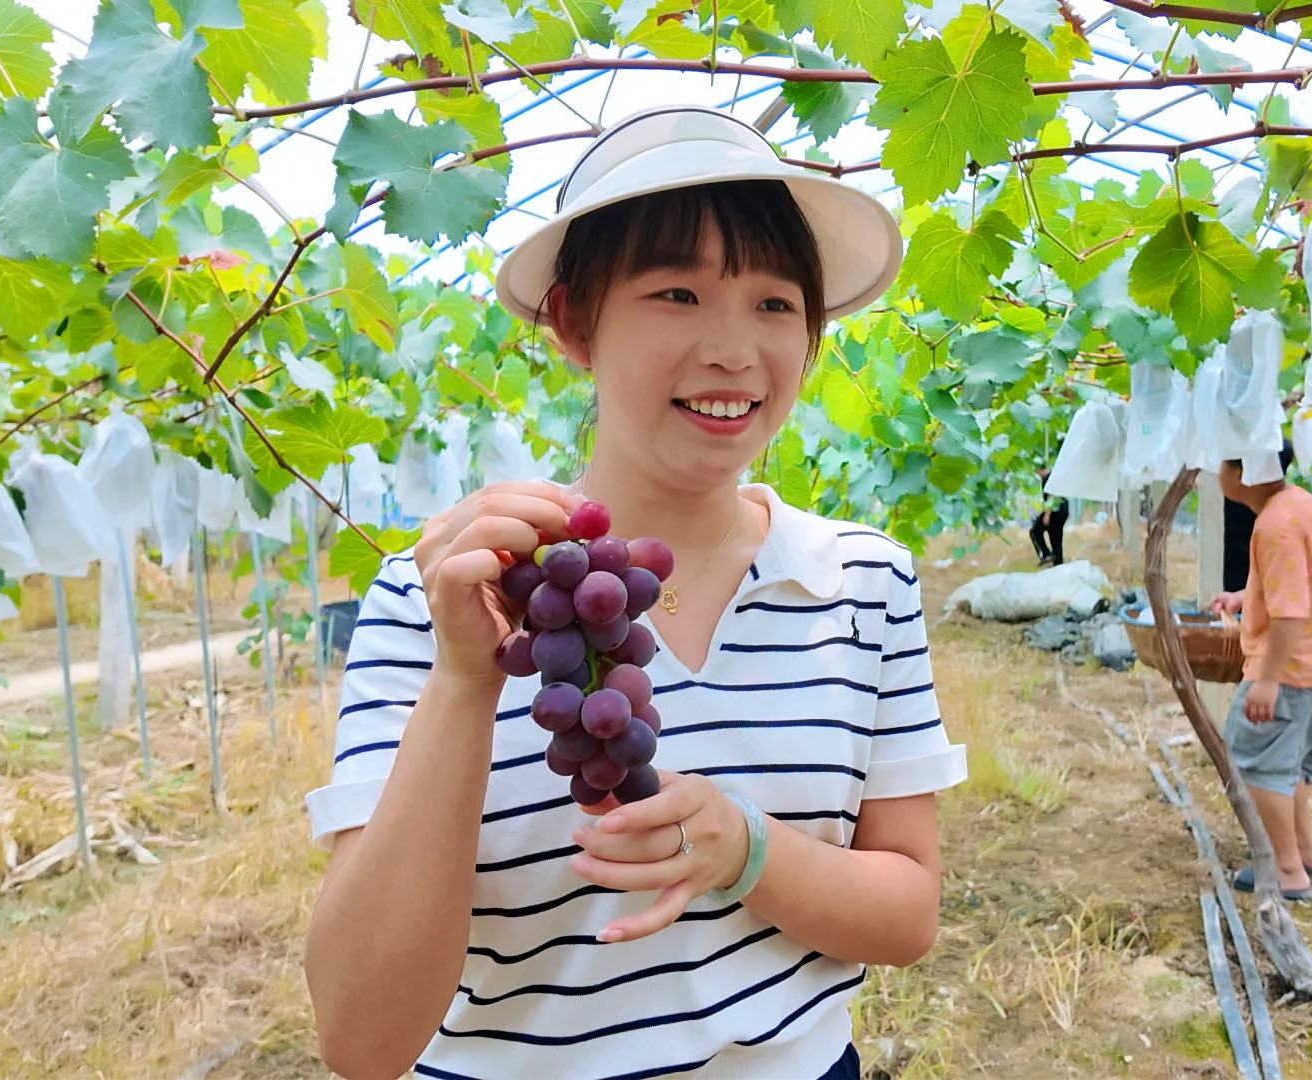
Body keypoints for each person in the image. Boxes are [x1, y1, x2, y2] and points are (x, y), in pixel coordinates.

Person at [302, 105, 967, 1080]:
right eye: (676, 294)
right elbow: (362, 1040)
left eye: (776, 305)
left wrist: (745, 849)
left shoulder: (864, 582)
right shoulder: (440, 598)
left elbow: (908, 915)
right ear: (573, 322)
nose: (735, 350)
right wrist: (462, 682)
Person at [1208, 445, 1312, 902]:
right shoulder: (1302, 506)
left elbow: (1291, 613)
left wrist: (1268, 680)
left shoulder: (1274, 524)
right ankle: (1307, 854)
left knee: (1253, 761)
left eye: (1222, 464)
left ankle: (1286, 870)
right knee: (1288, 766)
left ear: (1243, 473)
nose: (1218, 474)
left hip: (1294, 669)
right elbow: (1298, 582)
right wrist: (1242, 597)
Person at [1030, 467, 1069, 566]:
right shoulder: (1053, 476)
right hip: (1062, 509)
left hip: (1056, 510)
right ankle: (1058, 563)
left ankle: (1045, 554)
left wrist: (1047, 515)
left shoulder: (1048, 478)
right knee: (1055, 535)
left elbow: (1051, 495)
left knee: (1035, 531)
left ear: (1039, 469)